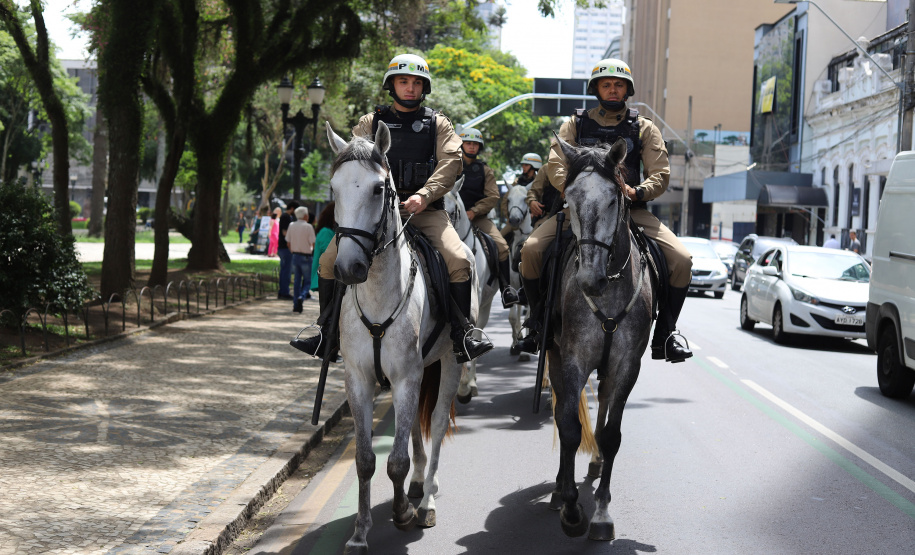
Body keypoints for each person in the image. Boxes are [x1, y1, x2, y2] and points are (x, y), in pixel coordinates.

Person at [293, 53, 493, 364]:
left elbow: (451, 162)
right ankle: (326, 332)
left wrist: (424, 196)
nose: (410, 88)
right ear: (392, 85)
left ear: (423, 87)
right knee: (329, 259)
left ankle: (462, 333)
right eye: (403, 81)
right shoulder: (369, 123)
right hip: (374, 213)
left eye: (416, 83)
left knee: (459, 259)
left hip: (425, 211)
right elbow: (353, 165)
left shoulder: (438, 124)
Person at [518, 58, 694, 363]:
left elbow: (660, 174)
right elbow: (556, 164)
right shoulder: (574, 124)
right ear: (597, 88)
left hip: (629, 211)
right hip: (580, 212)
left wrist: (635, 191)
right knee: (531, 251)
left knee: (682, 261)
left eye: (619, 85)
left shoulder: (644, 128)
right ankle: (536, 325)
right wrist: (572, 189)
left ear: (627, 90)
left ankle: (666, 333)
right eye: (606, 84)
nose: (613, 89)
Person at [457, 127, 520, 308]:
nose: (471, 147)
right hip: (450, 216)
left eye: (475, 144)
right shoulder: (451, 165)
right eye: (468, 143)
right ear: (461, 144)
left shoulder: (485, 170)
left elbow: (493, 196)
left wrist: (475, 211)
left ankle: (506, 289)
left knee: (502, 247)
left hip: (477, 217)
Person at [500, 153, 542, 238]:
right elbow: (505, 202)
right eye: (523, 165)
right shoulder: (516, 182)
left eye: (526, 165)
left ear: (534, 166)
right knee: (499, 239)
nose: (523, 167)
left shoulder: (540, 182)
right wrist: (509, 216)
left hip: (536, 220)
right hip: (515, 220)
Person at [287, 206, 316, 313]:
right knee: (307, 281)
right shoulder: (308, 227)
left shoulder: (291, 225)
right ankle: (302, 297)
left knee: (296, 281)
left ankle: (295, 304)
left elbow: (288, 242)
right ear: (305, 216)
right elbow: (313, 242)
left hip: (295, 255)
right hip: (306, 256)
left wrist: (293, 251)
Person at [525, 163, 563, 228]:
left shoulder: (581, 168)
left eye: (526, 165)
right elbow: (533, 191)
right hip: (550, 215)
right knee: (533, 238)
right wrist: (532, 201)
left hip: (573, 216)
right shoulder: (546, 168)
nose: (523, 167)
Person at [311, 202, 336, 292]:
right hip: (326, 277)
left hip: (327, 277)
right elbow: (331, 253)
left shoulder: (327, 231)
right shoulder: (326, 232)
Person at [277, 201, 299, 300]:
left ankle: (283, 291)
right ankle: (284, 292)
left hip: (284, 247)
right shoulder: (286, 217)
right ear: (293, 208)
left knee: (285, 270)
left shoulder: (287, 217)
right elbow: (285, 232)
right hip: (285, 248)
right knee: (286, 271)